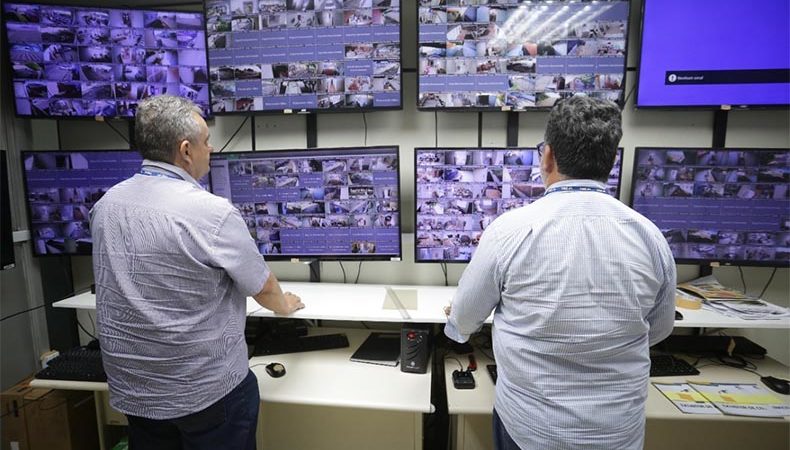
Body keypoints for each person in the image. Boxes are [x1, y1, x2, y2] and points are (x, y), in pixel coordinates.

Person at [444, 96, 676, 450]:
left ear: (547, 155)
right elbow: (658, 329)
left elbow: (463, 320)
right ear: (611, 161)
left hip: (531, 432)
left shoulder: (511, 229)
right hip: (617, 435)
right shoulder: (649, 236)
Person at [91, 95, 304, 450]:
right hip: (206, 395)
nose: (212, 148)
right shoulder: (211, 212)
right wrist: (286, 307)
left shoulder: (106, 205)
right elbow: (262, 287)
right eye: (207, 142)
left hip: (137, 394)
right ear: (186, 150)